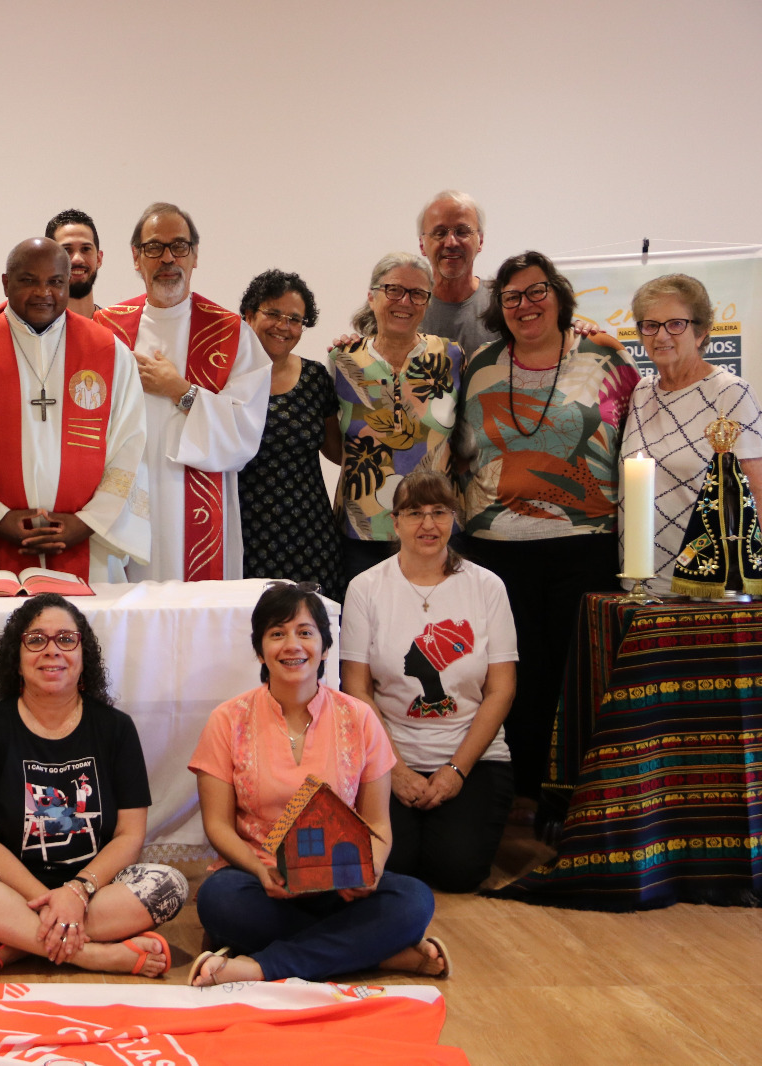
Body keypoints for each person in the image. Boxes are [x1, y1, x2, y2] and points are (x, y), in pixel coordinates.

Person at [188, 582, 447, 985]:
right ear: (260, 650)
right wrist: (260, 871)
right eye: (277, 633)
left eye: (305, 632)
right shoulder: (228, 719)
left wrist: (370, 871)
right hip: (262, 883)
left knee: (414, 900)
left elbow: (377, 824)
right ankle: (377, 953)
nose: (293, 645)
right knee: (219, 902)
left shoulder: (359, 718)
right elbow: (217, 826)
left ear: (325, 647)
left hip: (340, 884)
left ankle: (260, 966)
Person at [454, 251, 639, 804]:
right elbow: (457, 449)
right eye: (511, 297)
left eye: (537, 292)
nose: (525, 305)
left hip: (584, 545)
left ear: (559, 296)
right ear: (499, 308)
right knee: (513, 674)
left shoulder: (605, 355)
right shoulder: (480, 364)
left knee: (578, 672)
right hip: (496, 549)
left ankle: (577, 795)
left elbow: (638, 435)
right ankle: (524, 792)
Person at [0, 594, 186, 979]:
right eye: (36, 640)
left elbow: (130, 835)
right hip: (12, 889)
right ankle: (93, 954)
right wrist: (48, 901)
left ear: (84, 657)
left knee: (171, 884)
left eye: (66, 639)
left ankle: (15, 944)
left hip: (95, 891)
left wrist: (76, 892)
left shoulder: (115, 729)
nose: (52, 651)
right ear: (16, 658)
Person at [339, 473, 517, 892]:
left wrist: (455, 771)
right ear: (394, 522)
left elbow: (502, 689)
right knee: (392, 868)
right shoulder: (365, 588)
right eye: (415, 513)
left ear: (454, 519)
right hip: (389, 757)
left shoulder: (487, 587)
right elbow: (357, 690)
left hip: (473, 759)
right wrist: (396, 770)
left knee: (457, 872)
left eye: (440, 512)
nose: (428, 524)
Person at [0, 238, 149, 582]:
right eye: (28, 280)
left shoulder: (109, 352)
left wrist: (88, 521)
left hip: (86, 546)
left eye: (55, 282)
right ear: (6, 283)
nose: (43, 292)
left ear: (69, 284)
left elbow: (131, 446)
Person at [95, 202, 272, 581]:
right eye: (155, 247)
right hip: (123, 496)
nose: (168, 258)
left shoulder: (231, 331)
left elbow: (246, 429)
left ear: (195, 256)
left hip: (194, 500)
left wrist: (181, 390)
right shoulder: (105, 328)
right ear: (136, 257)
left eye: (180, 246)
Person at [620, 273, 762, 596]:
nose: (660, 335)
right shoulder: (641, 393)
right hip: (640, 587)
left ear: (701, 332)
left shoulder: (731, 393)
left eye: (675, 324)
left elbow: (756, 491)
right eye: (650, 325)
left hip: (709, 588)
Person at [331, 252, 463, 585]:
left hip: (436, 527)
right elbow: (330, 439)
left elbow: (468, 433)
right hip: (363, 529)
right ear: (372, 296)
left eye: (418, 293)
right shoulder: (342, 359)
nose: (405, 301)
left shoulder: (451, 356)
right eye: (393, 290)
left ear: (427, 302)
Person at [236, 269, 343, 596]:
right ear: (249, 315)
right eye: (273, 313)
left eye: (295, 319)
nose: (284, 326)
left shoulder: (315, 378)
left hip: (311, 537)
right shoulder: (223, 377)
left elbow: (339, 452)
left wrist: (357, 358)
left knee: (314, 633)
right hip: (245, 536)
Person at [417, 190, 500, 354]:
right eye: (439, 233)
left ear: (480, 240)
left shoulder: (503, 302)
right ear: (422, 244)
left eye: (462, 231)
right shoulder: (404, 307)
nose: (451, 242)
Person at [46, 209, 105, 318]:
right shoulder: (33, 333)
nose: (77, 259)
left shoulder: (118, 331)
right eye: (66, 250)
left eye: (86, 249)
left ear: (99, 259)